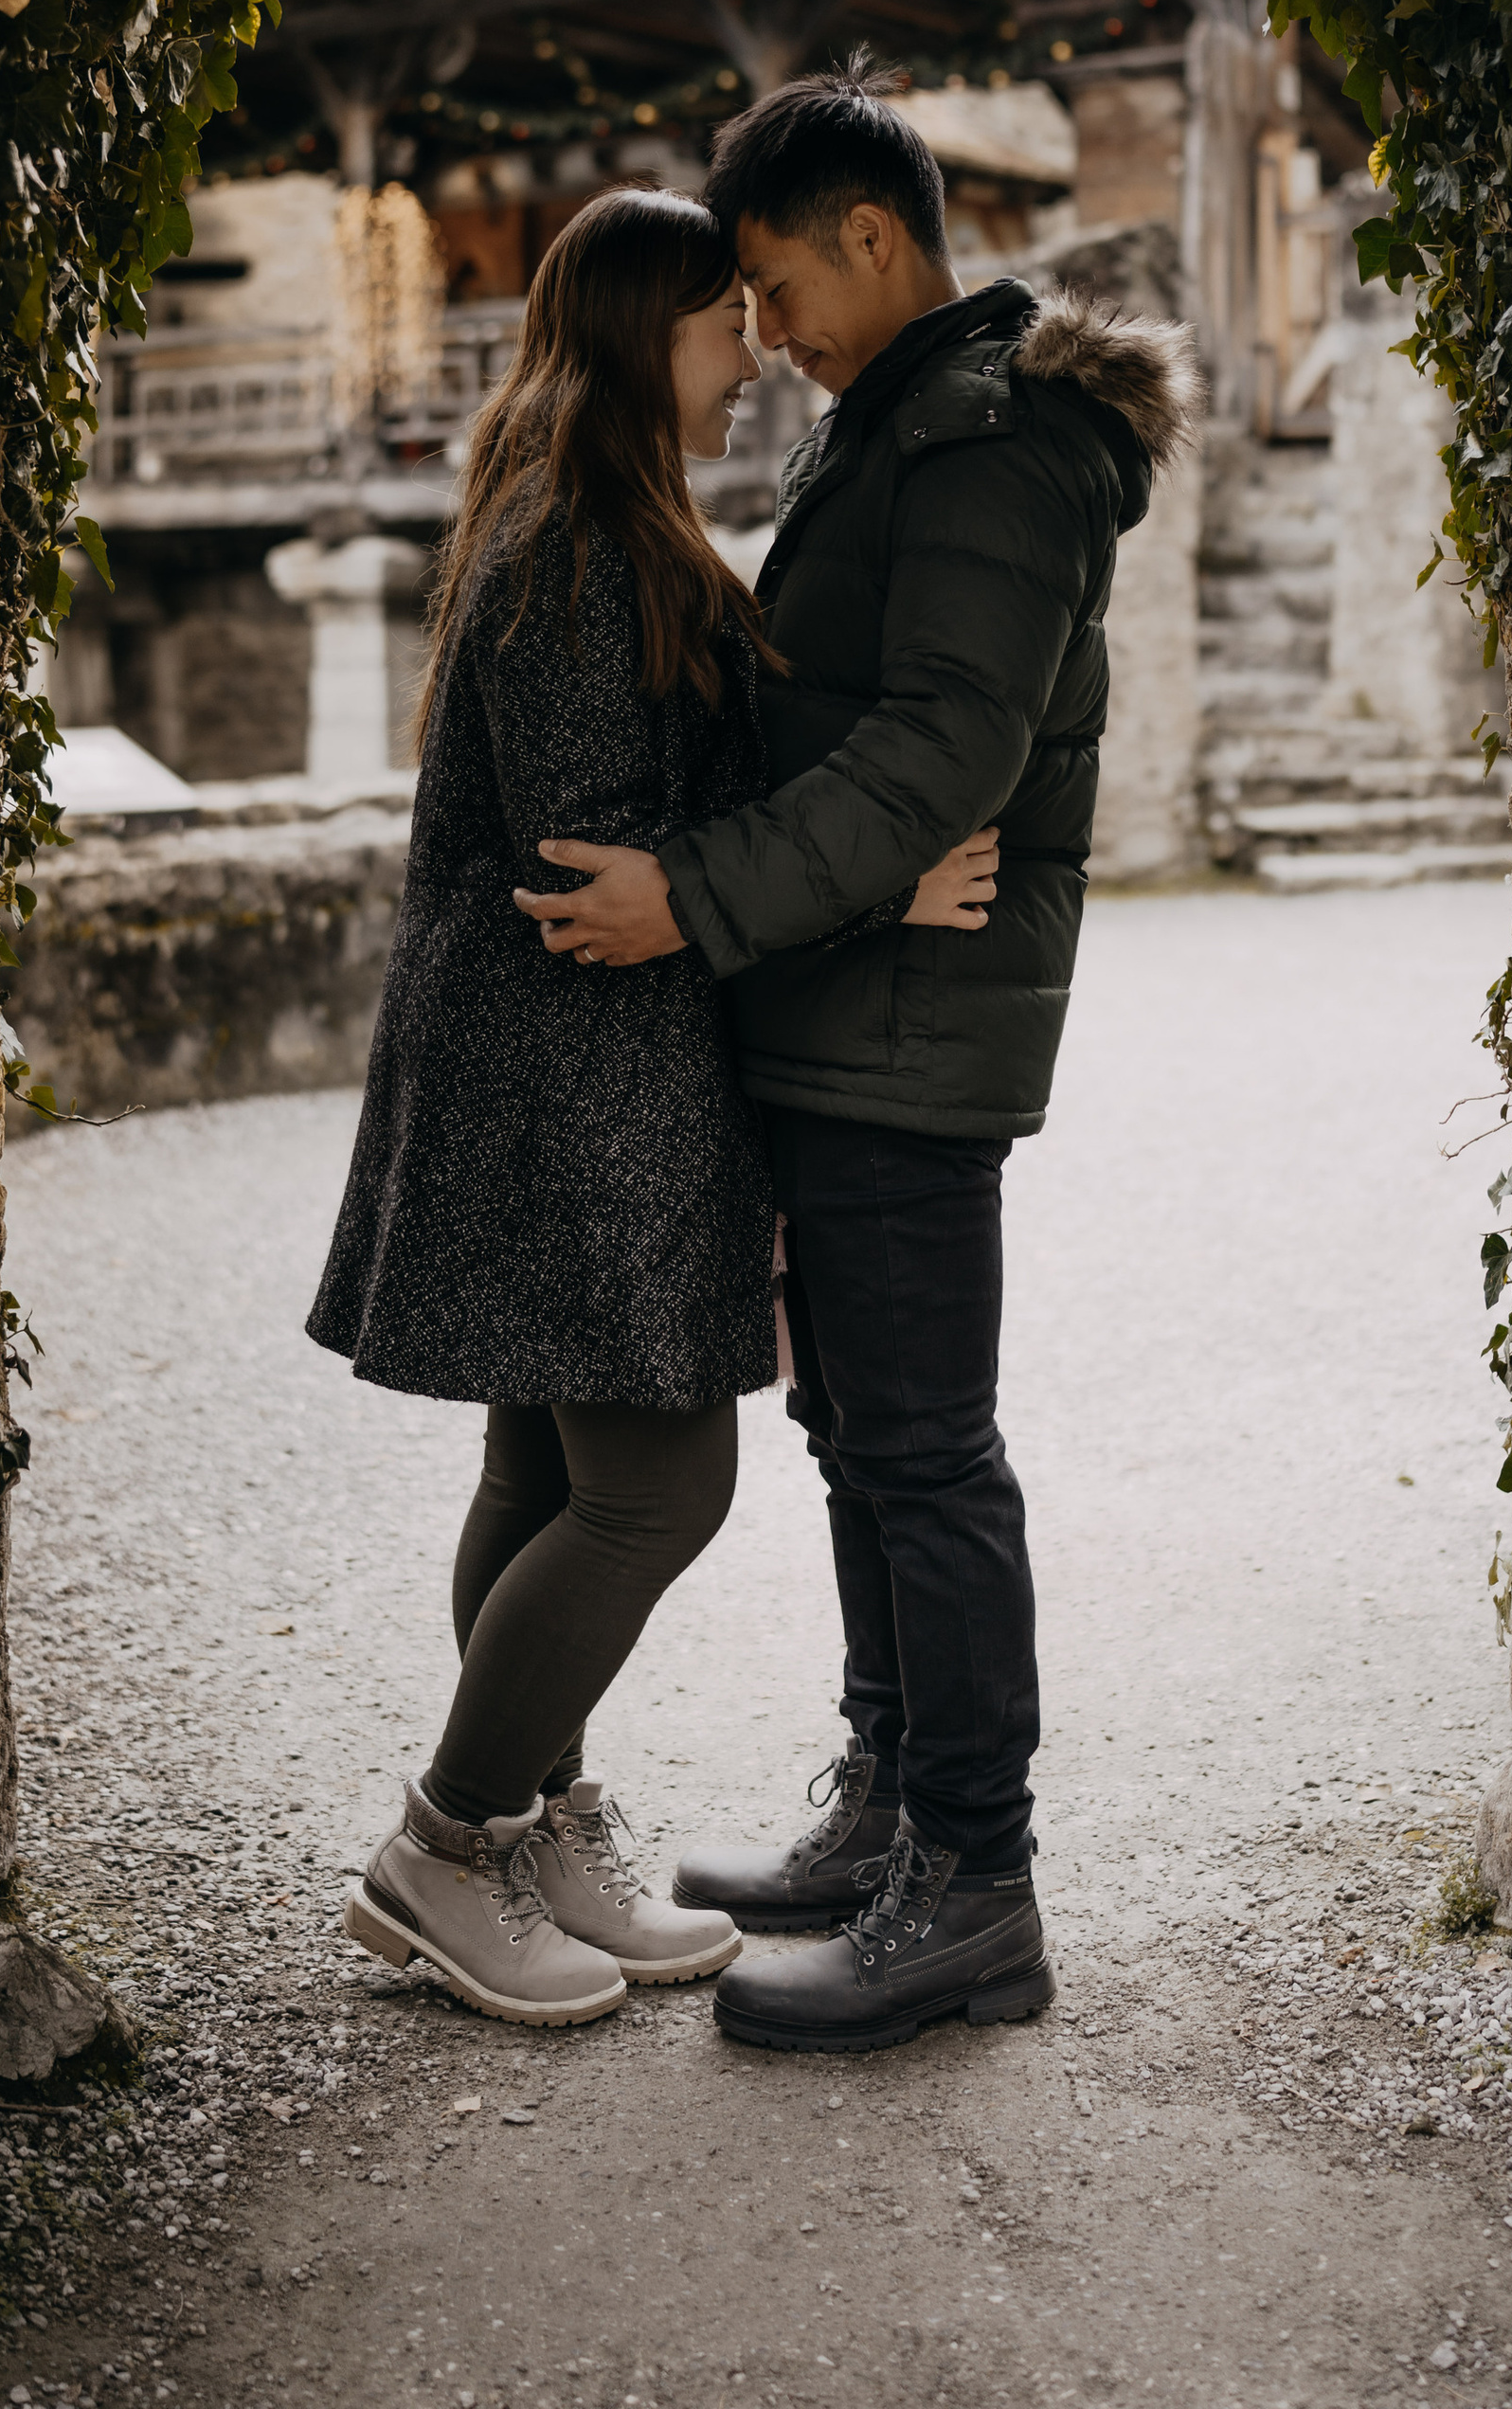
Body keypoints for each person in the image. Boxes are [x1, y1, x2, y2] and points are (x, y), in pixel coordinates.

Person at [513, 60, 1198, 2053]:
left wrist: (690, 898)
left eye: (776, 286)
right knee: (860, 1443)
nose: (765, 335)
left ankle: (973, 1890)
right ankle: (892, 1810)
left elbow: (935, 754)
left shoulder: (983, 444)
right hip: (845, 1005)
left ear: (874, 238)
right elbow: (853, 730)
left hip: (906, 1036)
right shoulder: (900, 423)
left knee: (922, 1451)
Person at [305, 187, 1000, 2029]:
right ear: (643, 337)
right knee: (659, 1482)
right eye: (722, 323)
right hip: (567, 1071)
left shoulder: (583, 514)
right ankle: (449, 1842)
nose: (752, 353)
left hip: (556, 1061)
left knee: (542, 1470)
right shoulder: (575, 543)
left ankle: (532, 1825)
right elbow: (596, 858)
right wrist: (864, 883)